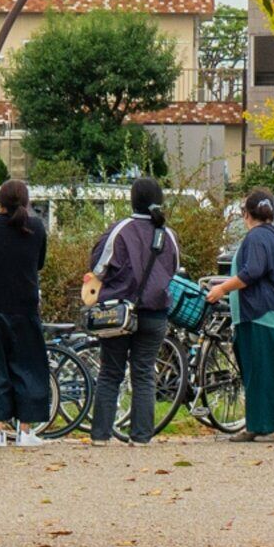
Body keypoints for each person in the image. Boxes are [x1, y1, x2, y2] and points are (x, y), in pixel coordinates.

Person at [83, 175, 183, 444]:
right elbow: (174, 270)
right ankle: (141, 436)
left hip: (118, 311)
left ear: (132, 199)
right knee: (144, 373)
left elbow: (99, 267)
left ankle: (101, 435)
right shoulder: (168, 235)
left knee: (110, 373)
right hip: (155, 313)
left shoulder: (121, 230)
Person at [0, 179, 52, 448]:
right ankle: (25, 430)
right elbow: (39, 263)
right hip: (24, 305)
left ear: (0, 202)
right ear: (26, 201)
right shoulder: (37, 226)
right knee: (26, 365)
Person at [220, 190, 274, 441]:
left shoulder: (257, 237)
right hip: (265, 315)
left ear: (246, 214)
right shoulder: (273, 236)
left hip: (264, 314)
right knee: (258, 372)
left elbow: (252, 272)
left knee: (269, 372)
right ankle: (257, 424)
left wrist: (221, 289)